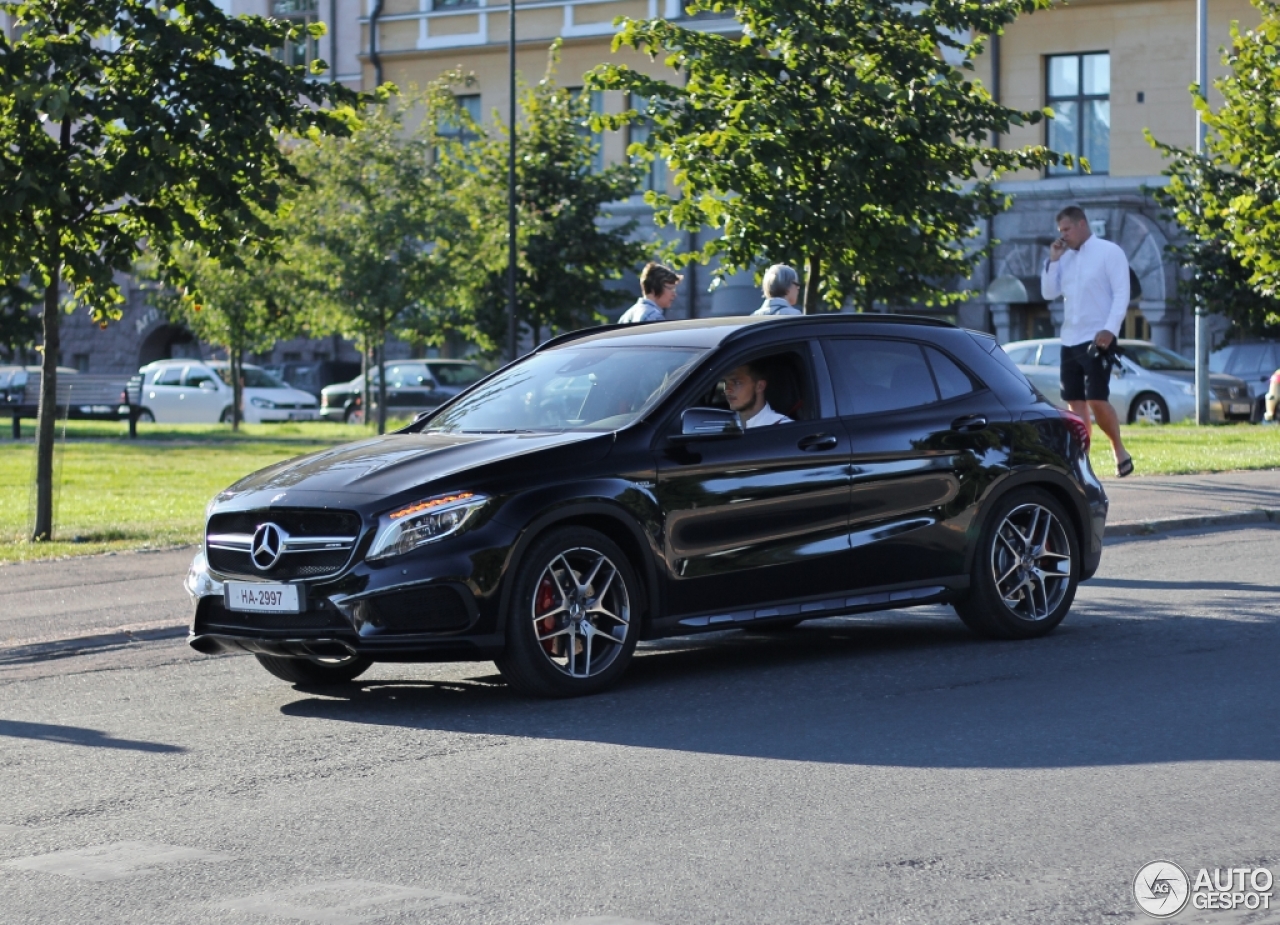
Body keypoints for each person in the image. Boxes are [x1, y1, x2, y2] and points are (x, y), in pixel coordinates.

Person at [1040, 205, 1135, 477]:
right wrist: (1054, 259)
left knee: (1096, 398)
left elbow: (1121, 294)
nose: (1064, 236)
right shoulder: (1065, 259)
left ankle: (1119, 450)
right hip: (1069, 339)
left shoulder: (1109, 252)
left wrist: (1110, 329)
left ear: (1082, 224)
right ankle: (1082, 462)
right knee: (1074, 402)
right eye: (1061, 231)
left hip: (1098, 337)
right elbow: (1048, 293)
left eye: (1067, 229)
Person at [722, 362, 792, 428]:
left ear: (760, 386)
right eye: (726, 383)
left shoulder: (783, 428)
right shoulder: (723, 425)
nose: (727, 390)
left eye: (736, 382)